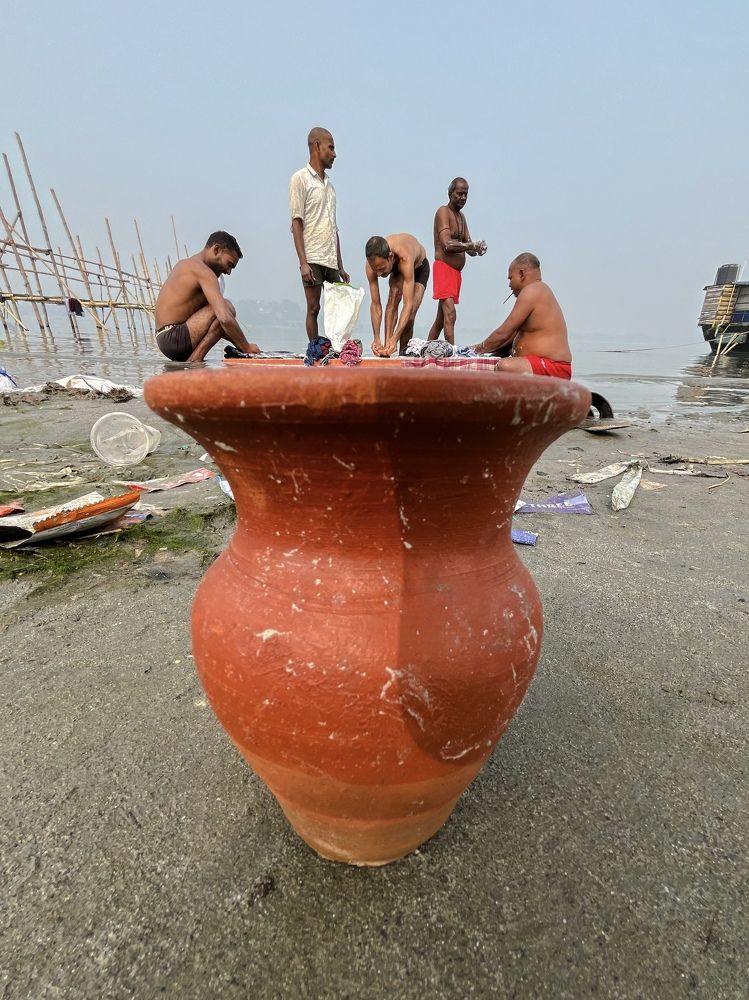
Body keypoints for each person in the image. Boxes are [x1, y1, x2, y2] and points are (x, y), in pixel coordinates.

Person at [154, 231, 259, 363]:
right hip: (174, 338)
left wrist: (241, 345)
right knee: (226, 308)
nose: (228, 272)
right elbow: (224, 318)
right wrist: (247, 347)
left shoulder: (187, 264)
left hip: (167, 339)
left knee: (222, 313)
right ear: (216, 250)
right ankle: (195, 360)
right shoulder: (203, 272)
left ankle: (192, 361)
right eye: (229, 264)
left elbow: (218, 326)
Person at [289, 127, 350, 342]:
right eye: (330, 148)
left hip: (330, 259)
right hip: (312, 257)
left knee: (338, 311)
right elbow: (297, 222)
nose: (334, 154)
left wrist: (340, 265)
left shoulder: (330, 188)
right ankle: (314, 349)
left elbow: (334, 228)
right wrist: (303, 263)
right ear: (317, 146)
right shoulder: (300, 179)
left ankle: (336, 350)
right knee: (314, 308)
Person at [473, 253, 573, 378]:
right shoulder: (536, 290)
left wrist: (475, 352)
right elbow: (506, 339)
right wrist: (473, 349)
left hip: (554, 367)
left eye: (510, 278)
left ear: (522, 274)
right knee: (498, 356)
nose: (509, 284)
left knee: (505, 366)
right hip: (540, 365)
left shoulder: (533, 290)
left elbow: (503, 332)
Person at [427, 178, 487, 345]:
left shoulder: (461, 217)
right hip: (443, 268)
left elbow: (469, 247)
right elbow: (447, 244)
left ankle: (426, 349)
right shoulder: (443, 212)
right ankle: (452, 351)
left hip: (455, 273)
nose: (463, 198)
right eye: (459, 193)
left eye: (466, 194)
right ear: (450, 193)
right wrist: (470, 245)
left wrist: (477, 248)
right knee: (450, 313)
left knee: (441, 320)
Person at [365, 234, 430, 356]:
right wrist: (376, 338)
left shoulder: (404, 256)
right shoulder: (371, 266)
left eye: (381, 268)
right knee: (393, 298)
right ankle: (387, 349)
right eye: (375, 270)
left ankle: (403, 353)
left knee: (410, 316)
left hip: (418, 267)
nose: (378, 274)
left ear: (390, 257)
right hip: (396, 267)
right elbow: (375, 304)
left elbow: (408, 304)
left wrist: (395, 338)